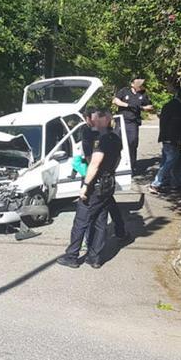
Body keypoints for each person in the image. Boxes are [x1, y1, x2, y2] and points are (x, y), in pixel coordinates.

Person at [58, 108, 123, 269]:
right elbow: (118, 158)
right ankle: (95, 258)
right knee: (101, 220)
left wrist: (86, 186)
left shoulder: (101, 141)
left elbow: (94, 164)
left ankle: (72, 255)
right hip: (108, 183)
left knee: (81, 221)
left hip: (95, 184)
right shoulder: (115, 137)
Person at [149, 80, 181, 193]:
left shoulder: (169, 105)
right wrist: (175, 139)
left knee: (173, 160)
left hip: (167, 137)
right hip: (172, 138)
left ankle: (173, 182)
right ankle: (157, 183)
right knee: (171, 160)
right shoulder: (179, 106)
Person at [113, 78, 154, 175]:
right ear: (132, 84)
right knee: (116, 144)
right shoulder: (124, 91)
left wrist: (142, 108)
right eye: (138, 84)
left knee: (132, 143)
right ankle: (114, 166)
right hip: (121, 121)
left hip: (133, 123)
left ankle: (131, 166)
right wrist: (128, 105)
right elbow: (115, 101)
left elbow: (149, 107)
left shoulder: (143, 94)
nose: (140, 86)